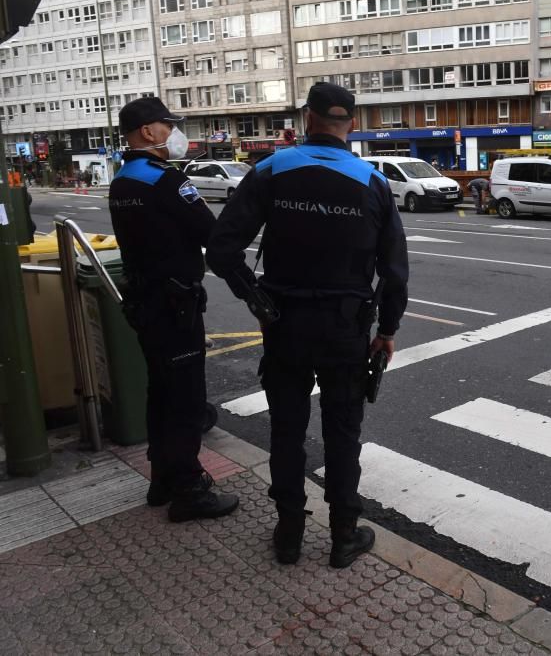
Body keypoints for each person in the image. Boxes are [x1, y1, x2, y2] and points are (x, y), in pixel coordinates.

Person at [206, 83, 409, 568]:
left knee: (287, 431)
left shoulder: (270, 170)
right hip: (345, 330)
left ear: (306, 119)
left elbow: (221, 250)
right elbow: (395, 271)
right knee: (343, 433)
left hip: (285, 326)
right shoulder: (372, 181)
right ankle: (343, 535)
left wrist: (257, 300)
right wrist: (387, 330)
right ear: (351, 125)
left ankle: (289, 534)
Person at [108, 97, 239, 522]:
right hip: (175, 304)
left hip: (145, 303)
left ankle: (161, 478)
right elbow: (210, 231)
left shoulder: (124, 180)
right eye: (167, 126)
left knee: (160, 392)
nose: (173, 133)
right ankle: (189, 490)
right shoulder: (166, 180)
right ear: (148, 132)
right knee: (185, 398)